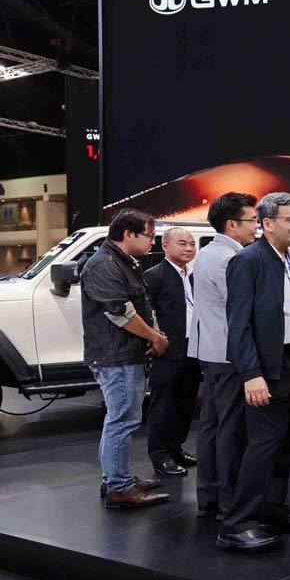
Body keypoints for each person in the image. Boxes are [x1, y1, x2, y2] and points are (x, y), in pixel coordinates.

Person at [218, 192, 290, 551]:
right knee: (262, 445)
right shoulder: (248, 261)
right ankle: (237, 523)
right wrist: (250, 373)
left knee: (285, 442)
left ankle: (273, 509)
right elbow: (238, 323)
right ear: (267, 223)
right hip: (264, 368)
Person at [81, 209, 170, 508]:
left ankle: (116, 478)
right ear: (129, 234)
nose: (152, 242)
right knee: (122, 421)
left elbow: (141, 305)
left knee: (122, 419)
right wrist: (154, 337)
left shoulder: (123, 262)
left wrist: (154, 334)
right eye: (149, 236)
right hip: (115, 356)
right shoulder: (104, 265)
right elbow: (120, 312)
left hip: (124, 353)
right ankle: (119, 488)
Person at [190, 192, 257, 520]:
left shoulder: (207, 253)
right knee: (230, 427)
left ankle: (209, 496)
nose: (256, 226)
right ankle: (229, 500)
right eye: (252, 220)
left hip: (210, 350)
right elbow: (241, 308)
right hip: (229, 352)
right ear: (232, 224)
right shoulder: (231, 259)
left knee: (212, 425)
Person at [143, 227, 199, 477]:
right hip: (167, 350)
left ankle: (176, 448)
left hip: (193, 347)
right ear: (165, 246)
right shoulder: (154, 276)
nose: (189, 248)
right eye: (182, 243)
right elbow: (147, 313)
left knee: (186, 403)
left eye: (192, 244)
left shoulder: (193, 275)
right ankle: (160, 455)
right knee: (163, 405)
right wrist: (155, 339)